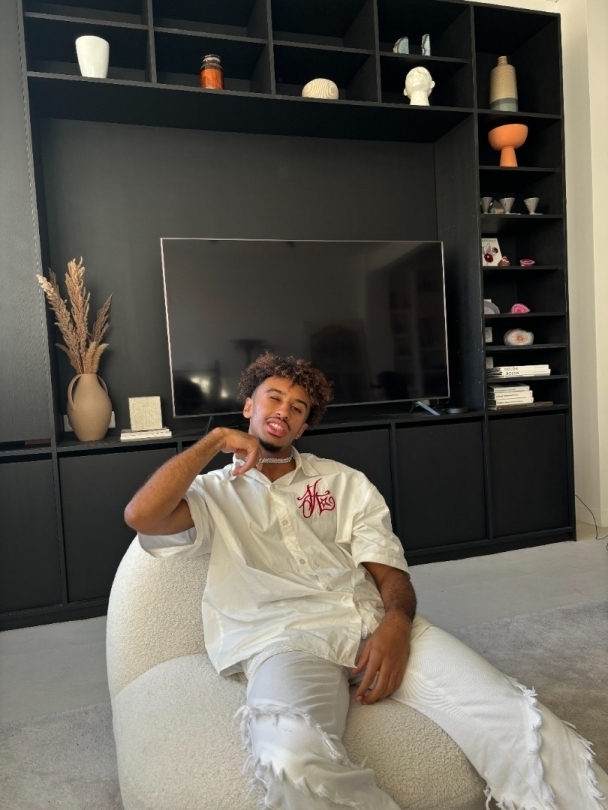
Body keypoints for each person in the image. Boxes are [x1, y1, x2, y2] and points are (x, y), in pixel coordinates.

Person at [125, 353, 607, 810]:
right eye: (273, 397)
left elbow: (387, 568)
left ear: (304, 426)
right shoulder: (212, 493)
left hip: (371, 623)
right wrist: (213, 442)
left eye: (298, 408)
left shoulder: (344, 482)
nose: (284, 411)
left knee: (516, 716)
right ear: (248, 406)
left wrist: (397, 623)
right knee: (289, 756)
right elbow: (141, 516)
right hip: (282, 640)